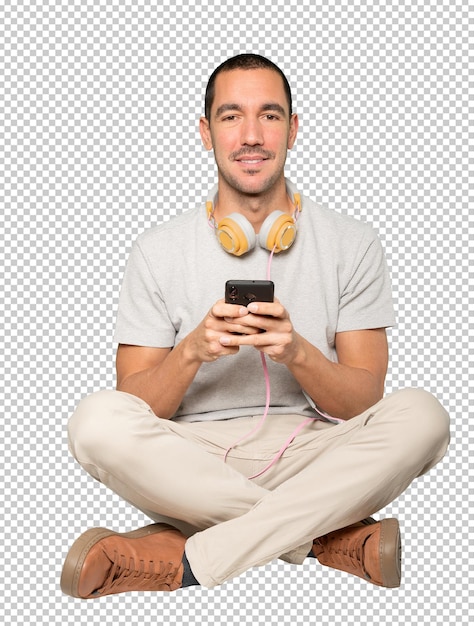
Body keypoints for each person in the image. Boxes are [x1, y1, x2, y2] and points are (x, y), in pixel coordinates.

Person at [61, 54, 450, 599]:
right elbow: (134, 403)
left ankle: (191, 561)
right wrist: (191, 351)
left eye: (269, 116)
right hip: (190, 459)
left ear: (293, 129)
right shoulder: (155, 251)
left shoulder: (353, 242)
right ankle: (320, 539)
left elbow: (364, 400)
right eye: (230, 116)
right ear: (205, 132)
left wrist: (298, 353)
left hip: (316, 451)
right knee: (94, 422)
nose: (251, 135)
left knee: (424, 416)